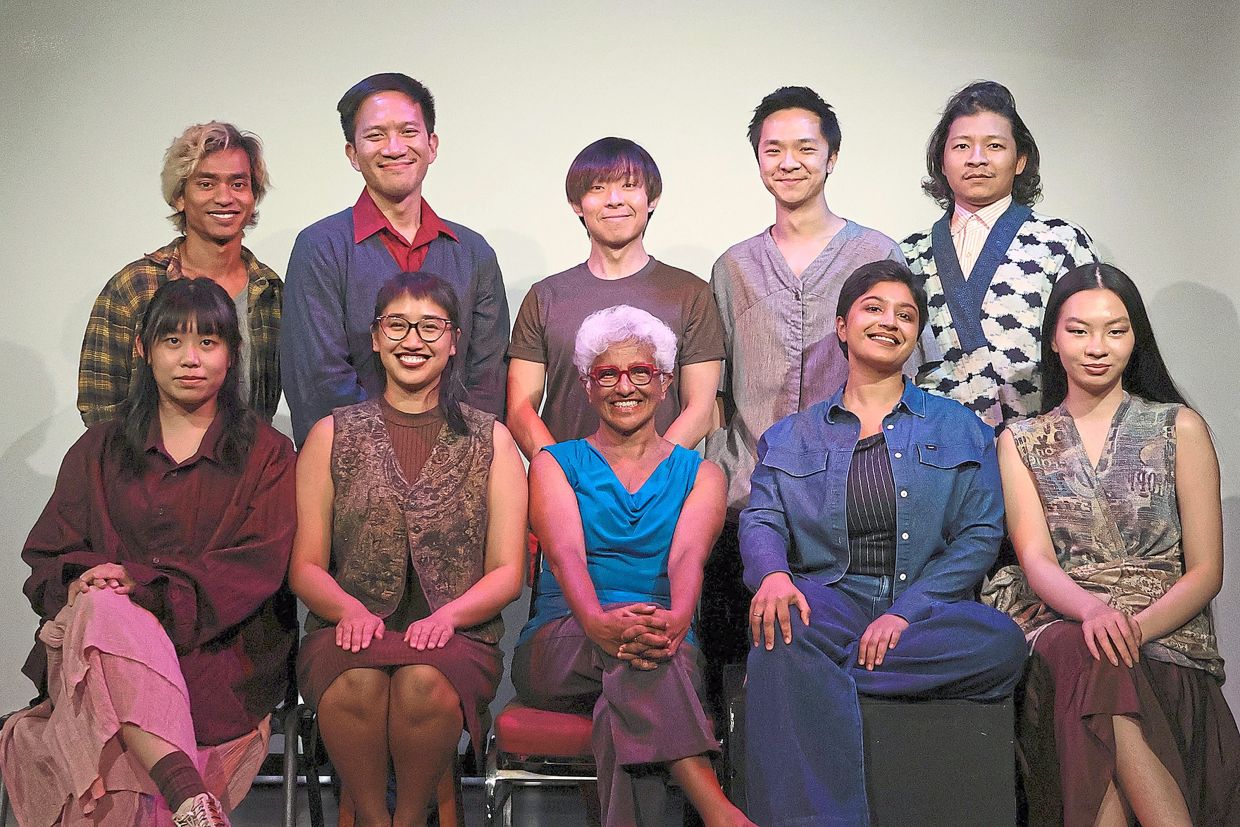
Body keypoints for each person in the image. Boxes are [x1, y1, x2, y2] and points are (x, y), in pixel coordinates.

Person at [1, 279, 297, 826]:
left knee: (106, 687)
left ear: (232, 356)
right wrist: (78, 585)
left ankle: (180, 792)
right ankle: (187, 797)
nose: (191, 359)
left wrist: (136, 586)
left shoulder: (268, 455)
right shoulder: (99, 448)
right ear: (143, 348)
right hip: (100, 653)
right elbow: (48, 556)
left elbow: (255, 571)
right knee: (101, 614)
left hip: (218, 659)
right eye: (172, 342)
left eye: (208, 343)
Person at [742, 260, 1026, 826]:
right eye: (874, 309)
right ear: (842, 326)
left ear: (916, 336)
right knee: (784, 624)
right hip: (831, 603)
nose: (889, 322)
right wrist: (773, 576)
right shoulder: (791, 435)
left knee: (1002, 646)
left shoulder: (961, 427)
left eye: (906, 315)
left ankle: (829, 673)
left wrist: (904, 614)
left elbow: (979, 535)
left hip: (925, 616)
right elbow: (762, 520)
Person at [981, 263, 1239, 826]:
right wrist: (1096, 614)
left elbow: (1207, 570)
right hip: (1068, 621)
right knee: (1087, 656)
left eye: (1115, 330)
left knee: (1102, 662)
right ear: (1053, 337)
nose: (1096, 347)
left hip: (1165, 631)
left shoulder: (1179, 426)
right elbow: (1036, 560)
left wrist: (1131, 629)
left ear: (1135, 337)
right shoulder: (1020, 439)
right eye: (1079, 330)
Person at [702, 86, 931, 718]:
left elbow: (906, 369)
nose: (789, 161)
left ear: (831, 156)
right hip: (748, 496)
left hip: (849, 502)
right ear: (757, 161)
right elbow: (717, 392)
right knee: (736, 672)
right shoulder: (733, 267)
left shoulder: (877, 253)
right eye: (773, 149)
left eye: (806, 147)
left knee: (840, 675)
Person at [289, 272, 525, 827]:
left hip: (459, 637)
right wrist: (347, 609)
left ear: (454, 340)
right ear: (374, 337)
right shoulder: (332, 434)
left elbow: (508, 571)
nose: (412, 339)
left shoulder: (491, 439)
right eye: (397, 324)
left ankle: (410, 817)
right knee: (354, 683)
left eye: (430, 327)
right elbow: (305, 564)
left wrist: (449, 617)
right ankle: (377, 820)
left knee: (423, 683)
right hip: (347, 632)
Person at [513, 305, 754, 827]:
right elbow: (565, 555)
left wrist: (678, 619)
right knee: (638, 663)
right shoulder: (556, 463)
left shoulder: (703, 474)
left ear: (664, 382)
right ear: (587, 384)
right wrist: (598, 624)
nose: (626, 386)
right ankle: (718, 810)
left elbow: (689, 555)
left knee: (622, 705)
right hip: (563, 638)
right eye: (608, 373)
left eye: (640, 372)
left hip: (665, 637)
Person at [282, 72, 509, 446]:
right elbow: (318, 382)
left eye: (408, 132)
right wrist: (392, 458)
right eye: (375, 135)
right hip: (351, 470)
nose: (393, 148)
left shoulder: (473, 253)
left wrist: (447, 461)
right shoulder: (320, 248)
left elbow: (486, 382)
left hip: (459, 473)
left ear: (432, 145)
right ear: (352, 154)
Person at [507, 137, 724, 459]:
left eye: (629, 185)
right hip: (567, 493)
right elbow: (520, 408)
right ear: (576, 204)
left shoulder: (690, 293)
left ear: (652, 198)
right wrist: (563, 474)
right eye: (597, 188)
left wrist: (653, 471)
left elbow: (701, 408)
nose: (614, 200)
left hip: (664, 491)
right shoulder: (545, 297)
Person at [902, 80, 1098, 429]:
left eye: (994, 146)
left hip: (1040, 440)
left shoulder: (1060, 242)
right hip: (933, 449)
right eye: (962, 146)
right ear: (942, 161)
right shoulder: (909, 253)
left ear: (1020, 160)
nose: (977, 159)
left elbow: (1090, 345)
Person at [79, 121, 282, 425]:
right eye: (206, 183)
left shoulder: (270, 291)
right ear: (179, 196)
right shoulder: (134, 288)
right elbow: (99, 409)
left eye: (238, 184)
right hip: (147, 468)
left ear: (253, 197)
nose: (225, 197)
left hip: (247, 467)